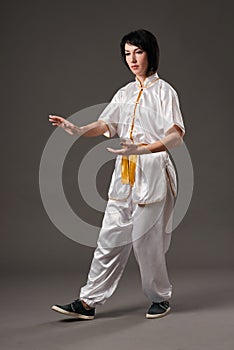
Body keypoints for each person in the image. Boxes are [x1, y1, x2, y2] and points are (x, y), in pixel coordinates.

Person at [48, 29, 185, 320]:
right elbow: (105, 125)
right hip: (124, 172)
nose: (132, 59)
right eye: (127, 53)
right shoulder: (123, 93)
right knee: (109, 237)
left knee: (145, 241)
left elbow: (176, 135)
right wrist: (78, 130)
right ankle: (88, 302)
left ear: (150, 53)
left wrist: (145, 150)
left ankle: (160, 297)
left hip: (153, 171)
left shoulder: (165, 92)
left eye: (138, 52)